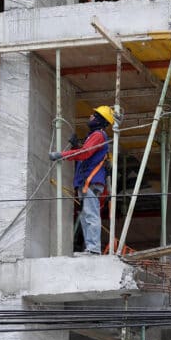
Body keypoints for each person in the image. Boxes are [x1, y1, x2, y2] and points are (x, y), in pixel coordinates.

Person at [50, 105, 115, 255]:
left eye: (93, 115)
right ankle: (91, 248)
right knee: (87, 215)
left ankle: (93, 249)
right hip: (87, 182)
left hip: (91, 182)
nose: (90, 117)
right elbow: (88, 155)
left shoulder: (98, 135)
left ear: (100, 120)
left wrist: (61, 155)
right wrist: (76, 146)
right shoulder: (94, 136)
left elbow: (85, 154)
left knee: (91, 214)